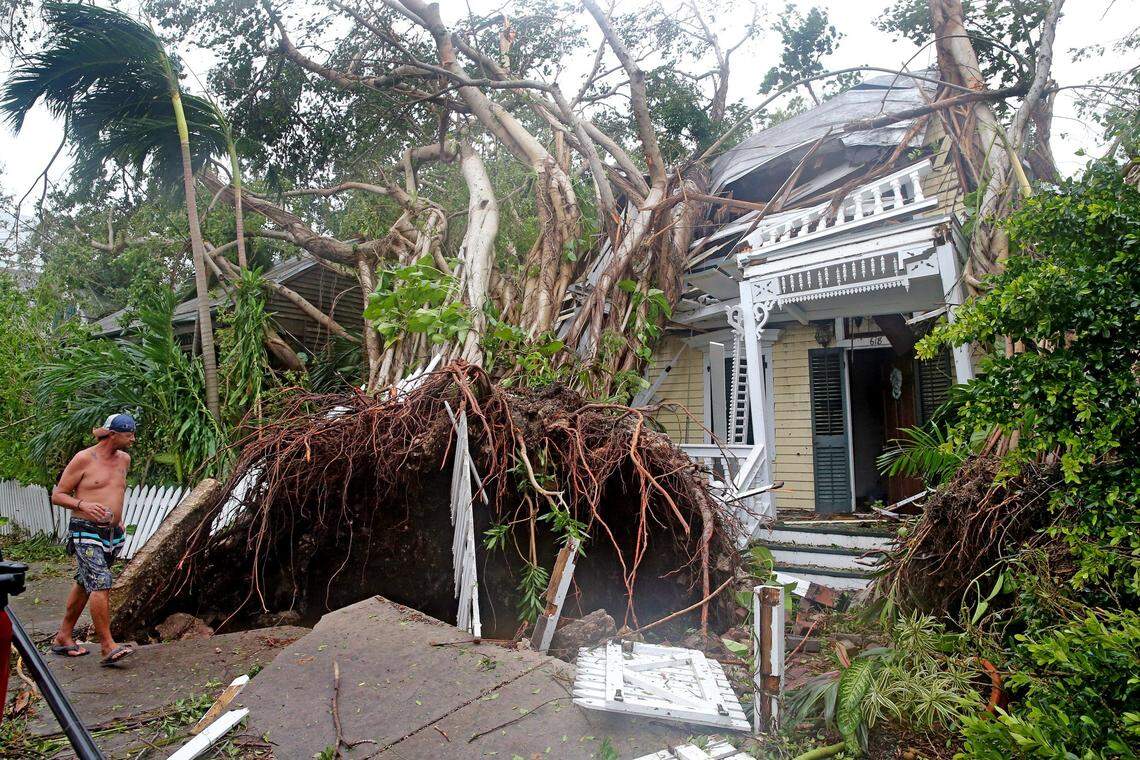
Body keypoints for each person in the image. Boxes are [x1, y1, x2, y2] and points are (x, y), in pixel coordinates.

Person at [49, 413, 138, 666]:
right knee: (100, 582)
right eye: (128, 434)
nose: (133, 439)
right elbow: (58, 495)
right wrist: (83, 505)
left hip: (111, 534)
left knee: (85, 582)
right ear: (112, 435)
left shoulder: (124, 459)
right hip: (84, 528)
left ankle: (63, 637)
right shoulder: (84, 459)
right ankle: (107, 646)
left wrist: (117, 517)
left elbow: (114, 490)